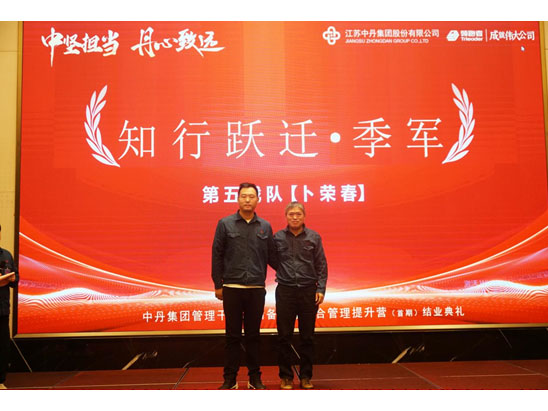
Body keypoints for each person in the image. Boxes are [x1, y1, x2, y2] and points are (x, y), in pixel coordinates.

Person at [211, 182, 277, 390]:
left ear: (258, 200)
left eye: (251, 196)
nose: (247, 200)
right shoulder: (225, 224)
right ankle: (230, 379)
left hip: (256, 288)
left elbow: (273, 257)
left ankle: (254, 378)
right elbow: (217, 255)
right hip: (231, 287)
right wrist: (218, 284)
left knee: (253, 336)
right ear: (237, 199)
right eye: (244, 196)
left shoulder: (265, 226)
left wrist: (294, 272)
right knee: (232, 336)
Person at [274, 202, 327, 390]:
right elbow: (272, 260)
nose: (295, 217)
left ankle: (306, 376)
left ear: (304, 216)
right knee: (284, 335)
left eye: (298, 214)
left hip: (308, 291)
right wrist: (284, 272)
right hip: (285, 290)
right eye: (291, 214)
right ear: (286, 216)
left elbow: (321, 264)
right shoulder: (277, 237)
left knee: (307, 336)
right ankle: (286, 376)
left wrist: (321, 289)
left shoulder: (314, 237)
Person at [0, 224, 18, 390]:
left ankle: (0, 380)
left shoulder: (6, 255)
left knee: (2, 346)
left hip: (2, 309)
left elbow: (16, 277)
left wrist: (12, 279)